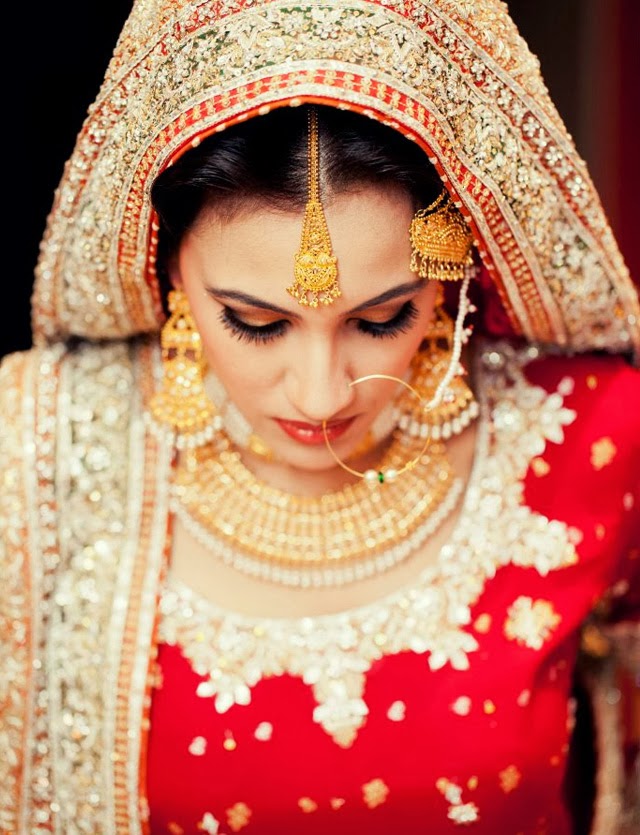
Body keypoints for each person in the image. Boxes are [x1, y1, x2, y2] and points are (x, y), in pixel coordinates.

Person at [1, 1, 638, 833]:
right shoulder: (35, 453)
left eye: (382, 320)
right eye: (255, 323)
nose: (321, 393)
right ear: (164, 271)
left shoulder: (585, 438)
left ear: (448, 278)